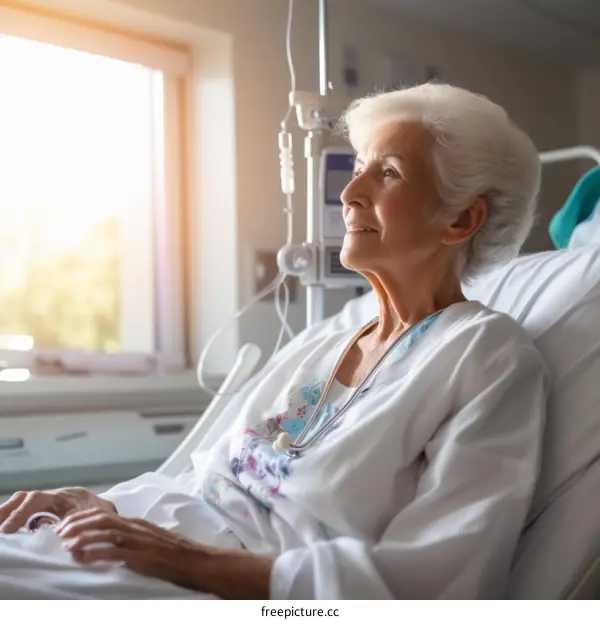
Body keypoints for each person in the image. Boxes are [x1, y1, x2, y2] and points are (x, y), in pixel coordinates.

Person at [0, 83, 549, 599]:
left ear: (461, 219)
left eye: (388, 173)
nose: (350, 192)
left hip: (217, 584)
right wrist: (97, 505)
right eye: (358, 169)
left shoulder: (486, 355)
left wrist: (187, 561)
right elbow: (201, 482)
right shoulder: (329, 343)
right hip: (136, 542)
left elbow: (438, 577)